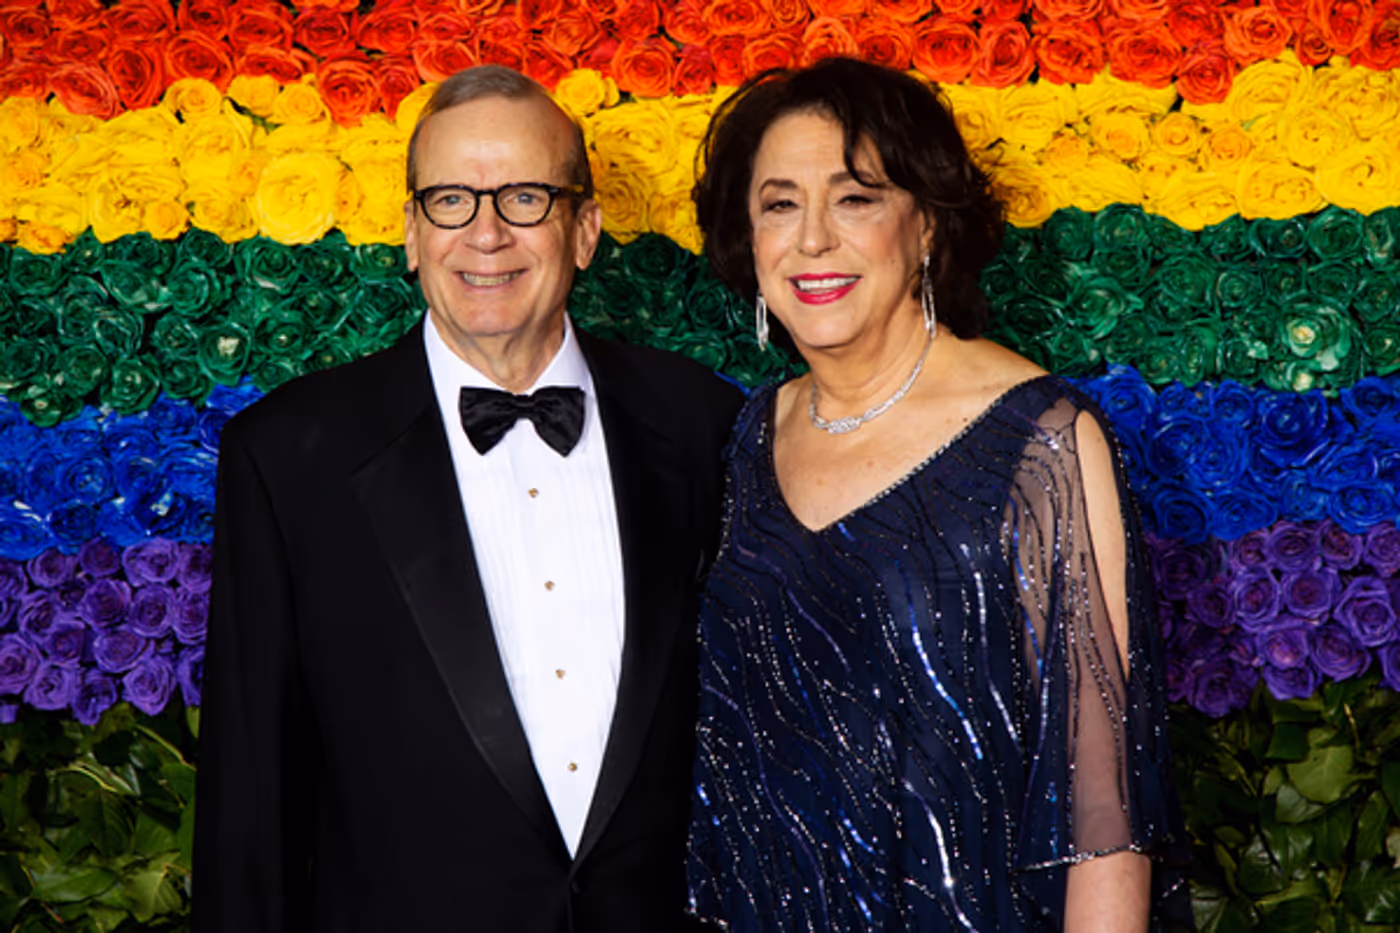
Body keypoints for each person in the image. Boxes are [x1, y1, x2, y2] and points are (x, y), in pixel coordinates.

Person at [193, 65, 742, 932]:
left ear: (584, 230)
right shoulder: (287, 454)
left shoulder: (703, 421)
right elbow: (248, 799)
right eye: (450, 200)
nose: (486, 233)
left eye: (525, 197)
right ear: (412, 233)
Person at [684, 58, 1190, 932]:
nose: (812, 239)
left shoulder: (1040, 442)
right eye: (779, 204)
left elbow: (1105, 809)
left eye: (856, 198)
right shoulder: (746, 437)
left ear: (926, 226)